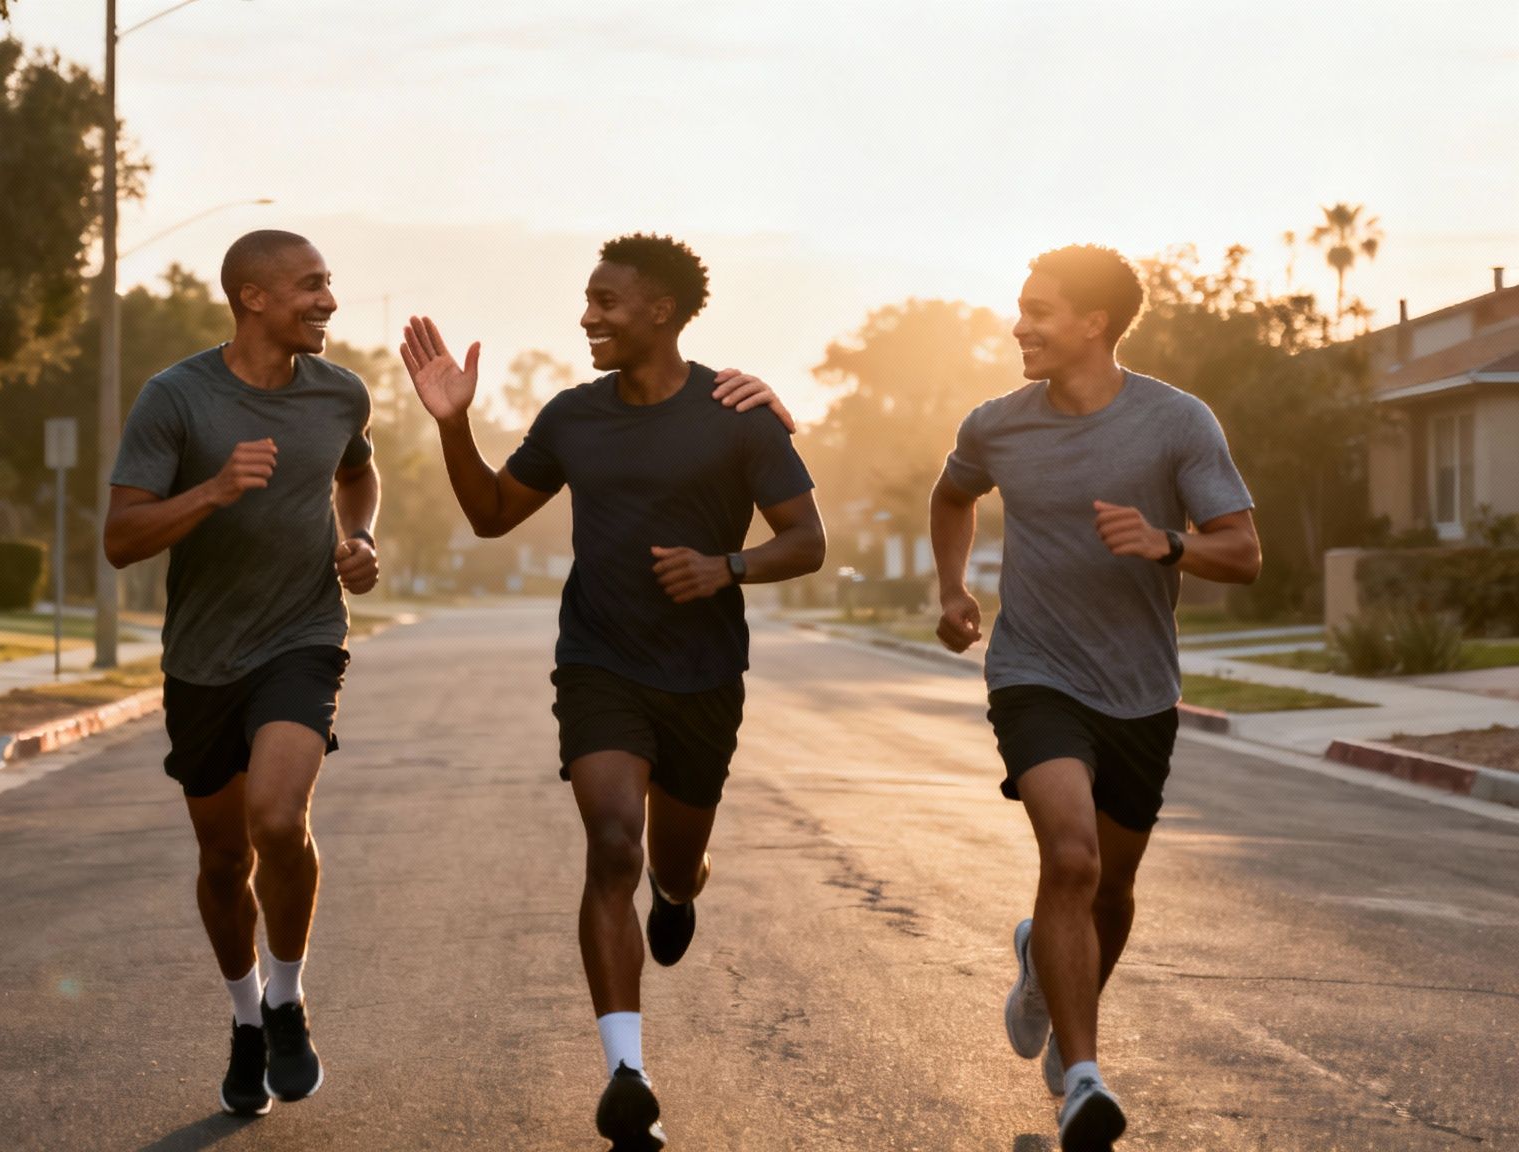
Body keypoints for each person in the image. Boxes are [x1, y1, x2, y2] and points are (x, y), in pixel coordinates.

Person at [399, 233, 824, 1150]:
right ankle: (627, 1071)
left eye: (606, 302)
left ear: (661, 311)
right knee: (608, 842)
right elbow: (489, 516)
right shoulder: (572, 417)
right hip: (600, 661)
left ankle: (679, 894)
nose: (587, 316)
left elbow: (808, 541)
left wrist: (726, 566)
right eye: (586, 301)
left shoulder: (737, 414)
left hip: (704, 674)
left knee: (670, 863)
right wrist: (450, 423)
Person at [929, 245, 1259, 1151]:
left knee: (1111, 890)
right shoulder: (997, 424)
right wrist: (954, 590)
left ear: (1094, 324)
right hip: (1034, 668)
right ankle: (1084, 1078)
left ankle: (1045, 965)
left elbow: (1245, 552)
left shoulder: (1175, 422)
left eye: (1038, 310)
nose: (1019, 325)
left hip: (1140, 689)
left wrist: (1167, 544)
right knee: (1069, 858)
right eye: (1019, 306)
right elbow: (951, 494)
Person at [103, 230, 380, 1117]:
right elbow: (120, 538)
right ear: (253, 297)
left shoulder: (340, 393)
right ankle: (245, 1021)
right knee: (223, 859)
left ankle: (289, 996)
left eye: (329, 284)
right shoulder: (176, 398)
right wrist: (214, 492)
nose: (328, 301)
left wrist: (360, 536)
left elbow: (358, 472)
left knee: (275, 817)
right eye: (310, 286)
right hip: (201, 659)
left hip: (303, 635)